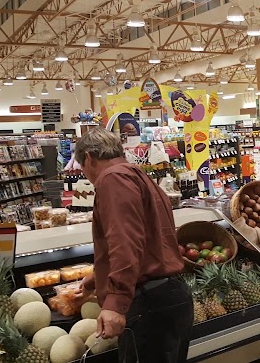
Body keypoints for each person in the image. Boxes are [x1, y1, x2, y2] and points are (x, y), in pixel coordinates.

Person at [73, 129, 193, 362]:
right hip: (171, 297)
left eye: (82, 167)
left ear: (88, 158)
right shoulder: (140, 176)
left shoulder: (112, 178)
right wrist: (96, 278)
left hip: (149, 304)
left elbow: (125, 242)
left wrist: (115, 304)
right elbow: (148, 241)